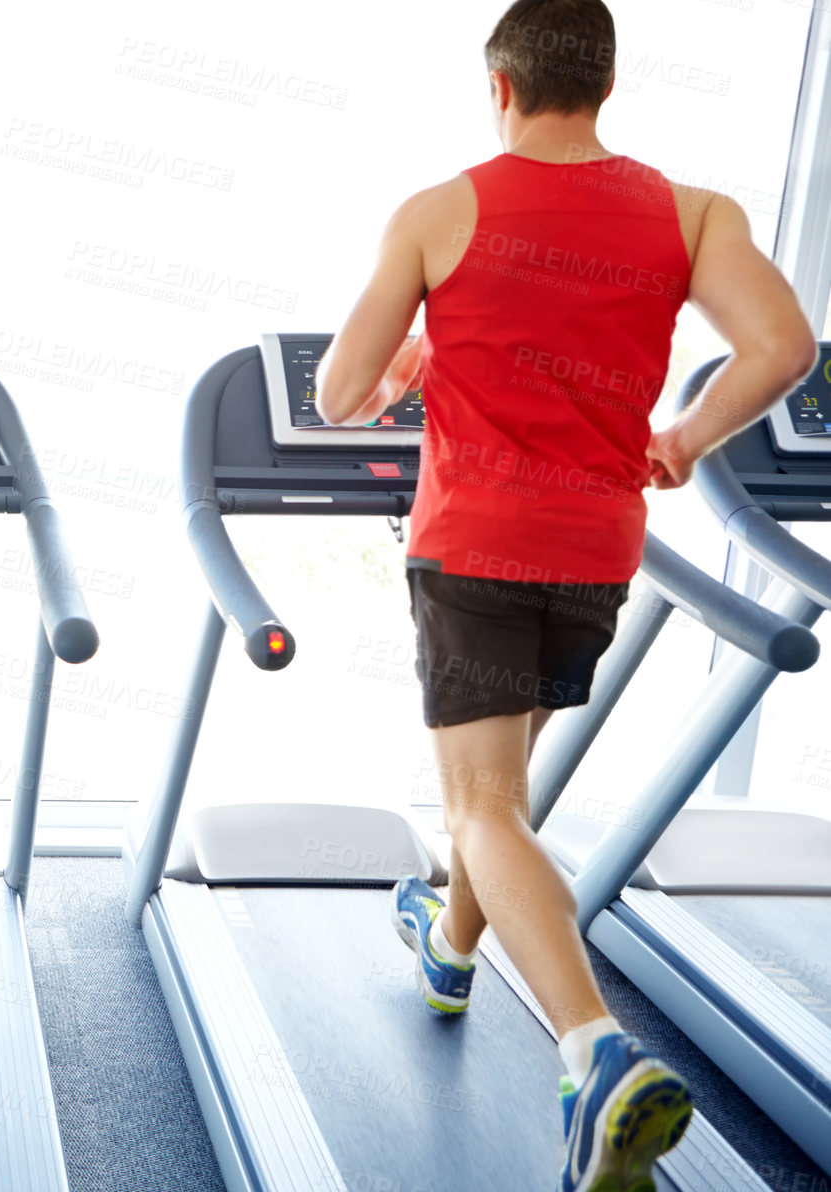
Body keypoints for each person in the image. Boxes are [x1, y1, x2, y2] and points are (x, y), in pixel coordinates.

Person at [313, 1, 820, 1187]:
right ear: (601, 87)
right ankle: (445, 950)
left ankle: (594, 1053)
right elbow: (784, 349)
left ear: (498, 88)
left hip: (475, 542)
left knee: (483, 805)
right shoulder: (693, 214)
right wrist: (684, 438)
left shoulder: (439, 211)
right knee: (501, 795)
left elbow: (338, 393)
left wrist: (413, 359)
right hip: (593, 549)